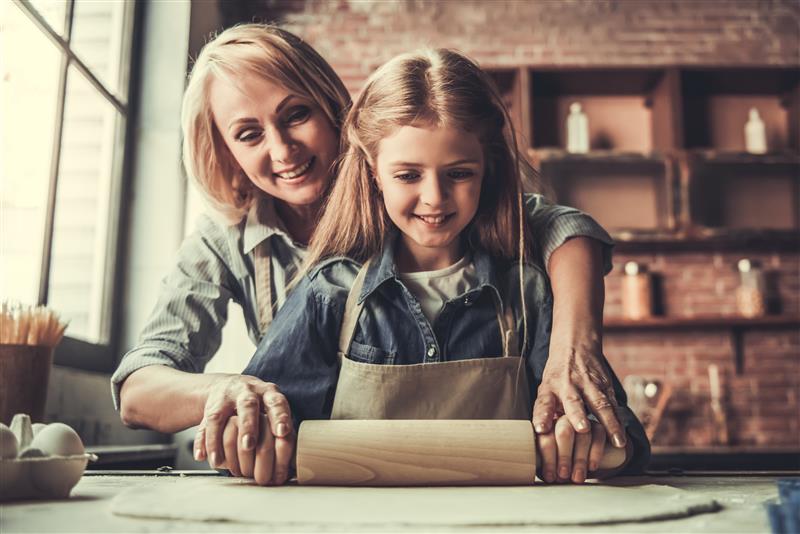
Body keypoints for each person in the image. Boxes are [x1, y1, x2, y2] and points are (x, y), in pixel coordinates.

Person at [111, 24, 629, 482]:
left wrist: (572, 349)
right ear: (224, 149)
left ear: (337, 110)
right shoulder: (289, 270)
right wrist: (233, 392)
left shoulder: (423, 208)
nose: (283, 150)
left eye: (296, 115)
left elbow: (563, 226)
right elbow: (141, 390)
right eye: (248, 134)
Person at [234, 48, 650, 486]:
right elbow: (254, 434)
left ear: (487, 169)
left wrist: (587, 441)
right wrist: (251, 439)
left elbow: (626, 445)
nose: (435, 197)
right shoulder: (329, 291)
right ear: (374, 171)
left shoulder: (527, 291)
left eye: (459, 174)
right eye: (408, 175)